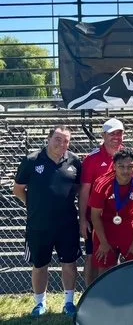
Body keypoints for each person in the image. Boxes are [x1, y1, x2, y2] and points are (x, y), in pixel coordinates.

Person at [13, 125, 83, 317]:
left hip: (67, 224)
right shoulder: (31, 160)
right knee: (40, 265)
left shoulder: (74, 161)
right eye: (58, 139)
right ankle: (40, 304)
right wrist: (34, 205)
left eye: (66, 140)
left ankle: (69, 303)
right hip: (39, 225)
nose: (62, 143)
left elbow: (77, 188)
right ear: (49, 138)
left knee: (69, 263)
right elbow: (18, 189)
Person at [89, 148, 133, 277]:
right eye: (121, 166)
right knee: (104, 271)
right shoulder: (102, 183)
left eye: (130, 166)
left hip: (129, 227)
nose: (125, 171)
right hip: (106, 228)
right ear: (114, 166)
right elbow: (95, 216)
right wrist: (103, 242)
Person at [79, 118, 125, 287]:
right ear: (103, 135)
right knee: (93, 256)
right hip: (96, 217)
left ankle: (114, 292)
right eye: (112, 134)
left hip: (121, 216)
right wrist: (83, 219)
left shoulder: (128, 156)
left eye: (119, 133)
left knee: (118, 256)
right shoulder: (92, 159)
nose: (116, 137)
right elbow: (84, 191)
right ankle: (89, 293)